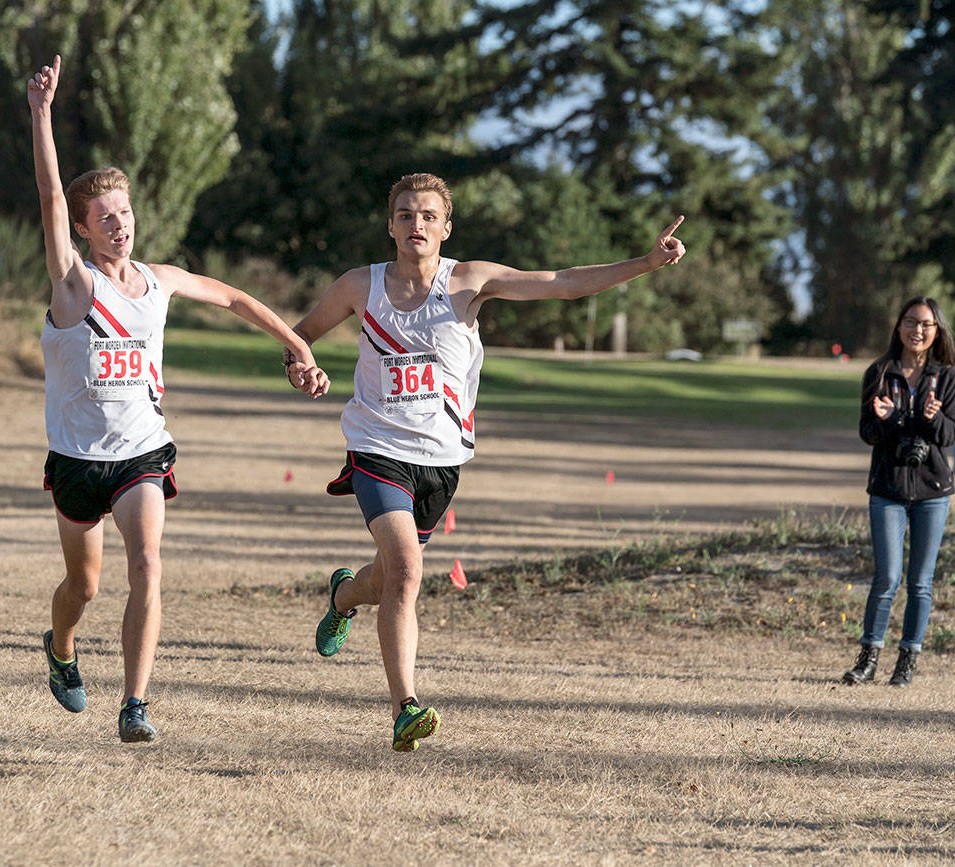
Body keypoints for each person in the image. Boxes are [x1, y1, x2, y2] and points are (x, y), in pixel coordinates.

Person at [286, 172, 685, 751]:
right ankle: (405, 708)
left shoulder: (471, 282)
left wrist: (645, 263)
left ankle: (345, 594)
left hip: (442, 460)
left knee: (388, 577)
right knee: (408, 570)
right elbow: (300, 336)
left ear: (447, 227)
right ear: (389, 225)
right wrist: (304, 367)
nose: (415, 224)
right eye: (404, 214)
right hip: (376, 449)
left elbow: (565, 282)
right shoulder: (358, 286)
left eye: (427, 215)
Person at [27, 55, 329, 742]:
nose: (119, 225)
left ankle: (135, 702)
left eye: (124, 212)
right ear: (81, 229)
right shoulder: (75, 288)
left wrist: (297, 344)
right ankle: (62, 645)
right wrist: (41, 113)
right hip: (76, 456)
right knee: (85, 587)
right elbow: (48, 196)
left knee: (148, 563)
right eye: (103, 217)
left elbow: (232, 295)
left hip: (141, 453)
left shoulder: (158, 281)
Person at [843, 297, 955, 688]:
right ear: (899, 326)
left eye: (926, 324)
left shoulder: (947, 377)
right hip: (888, 487)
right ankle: (868, 658)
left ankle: (907, 661)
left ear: (937, 331)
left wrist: (933, 418)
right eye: (911, 322)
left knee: (921, 582)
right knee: (886, 577)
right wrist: (887, 419)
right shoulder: (879, 372)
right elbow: (868, 434)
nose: (918, 330)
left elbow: (951, 435)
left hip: (933, 490)